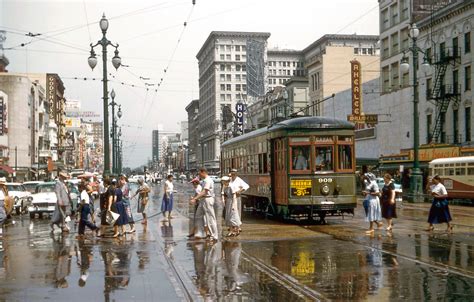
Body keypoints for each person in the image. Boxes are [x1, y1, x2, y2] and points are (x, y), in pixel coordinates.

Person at [191, 168, 218, 241]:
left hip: (207, 199)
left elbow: (204, 191)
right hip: (203, 199)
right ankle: (200, 233)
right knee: (198, 216)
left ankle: (214, 235)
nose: (199, 175)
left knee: (210, 218)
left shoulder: (208, 180)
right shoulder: (204, 181)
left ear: (203, 172)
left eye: (199, 173)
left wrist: (195, 199)